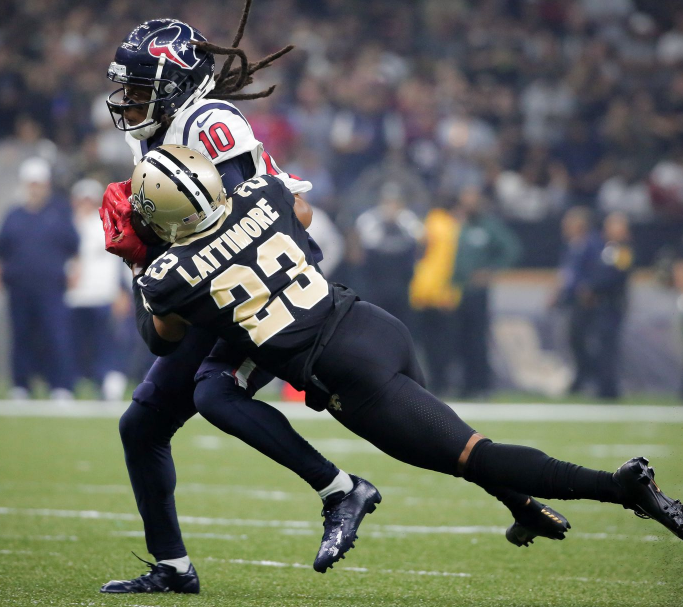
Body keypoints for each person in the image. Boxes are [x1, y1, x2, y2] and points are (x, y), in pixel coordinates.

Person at [131, 149, 682, 576]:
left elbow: (163, 339)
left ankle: (623, 487)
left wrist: (141, 259)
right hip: (370, 323)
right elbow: (301, 210)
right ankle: (521, 505)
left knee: (471, 455)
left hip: (346, 373)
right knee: (451, 436)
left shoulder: (169, 275)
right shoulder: (261, 192)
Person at [98, 8, 378, 592]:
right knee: (141, 427)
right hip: (211, 283)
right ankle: (173, 568)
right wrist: (142, 254)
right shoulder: (159, 134)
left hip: (256, 281)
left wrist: (149, 246)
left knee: (214, 392)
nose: (127, 100)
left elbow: (254, 222)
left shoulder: (208, 122)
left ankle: (341, 489)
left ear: (175, 85)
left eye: (141, 88)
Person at [0, 157, 79, 400]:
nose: (35, 187)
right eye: (31, 183)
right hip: (19, 285)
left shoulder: (59, 213)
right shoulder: (14, 215)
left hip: (51, 287)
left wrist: (75, 271)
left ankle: (60, 385)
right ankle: (21, 384)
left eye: (39, 183)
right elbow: (3, 252)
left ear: (46, 185)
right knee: (21, 335)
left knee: (55, 335)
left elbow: (74, 248)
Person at [553, 208, 632, 398]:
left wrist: (591, 287)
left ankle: (608, 389)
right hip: (597, 303)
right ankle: (594, 382)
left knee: (606, 347)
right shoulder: (605, 247)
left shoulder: (621, 250)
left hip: (610, 303)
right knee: (586, 342)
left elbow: (614, 275)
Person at [451, 187, 522, 398]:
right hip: (451, 292)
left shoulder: (488, 226)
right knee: (455, 340)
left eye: (473, 200)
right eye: (466, 200)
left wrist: (490, 270)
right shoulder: (452, 224)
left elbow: (512, 249)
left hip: (476, 292)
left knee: (477, 339)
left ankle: (481, 385)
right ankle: (460, 385)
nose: (469, 205)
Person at [66, 178, 129, 400]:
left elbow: (120, 259)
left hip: (103, 294)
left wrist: (121, 290)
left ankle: (108, 382)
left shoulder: (108, 224)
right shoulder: (67, 224)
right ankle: (81, 381)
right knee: (79, 343)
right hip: (74, 296)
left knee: (106, 342)